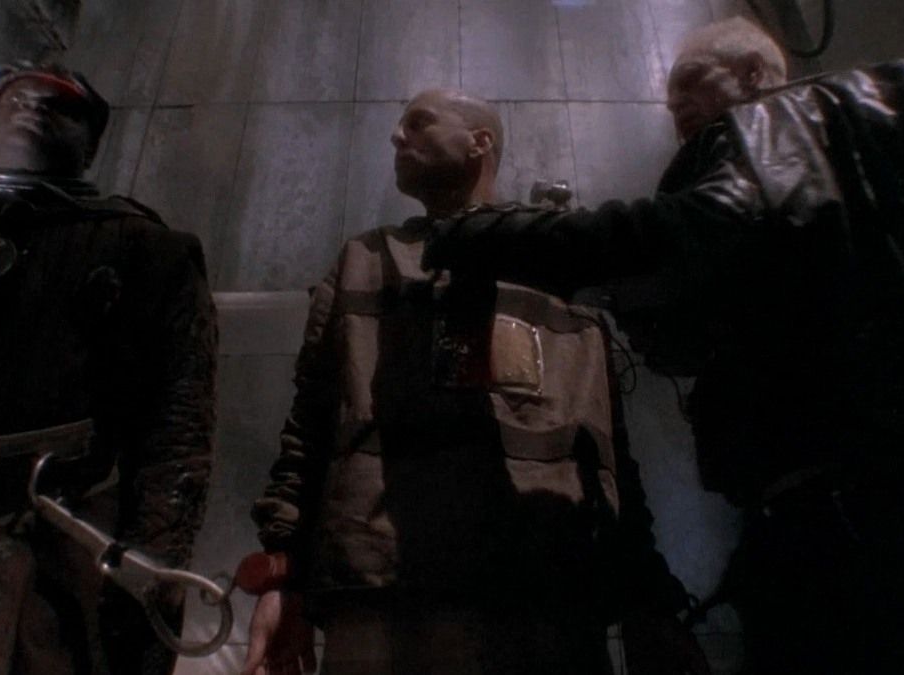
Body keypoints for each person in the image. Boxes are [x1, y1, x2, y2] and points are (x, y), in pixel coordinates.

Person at [423, 17, 904, 675]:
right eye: (669, 101)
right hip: (855, 490)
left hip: (843, 506)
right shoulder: (853, 149)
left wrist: (502, 236)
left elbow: (689, 232)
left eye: (691, 81)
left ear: (754, 74)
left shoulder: (775, 126)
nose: (676, 109)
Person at [239, 88, 707, 675]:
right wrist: (281, 572)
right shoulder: (366, 259)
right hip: (383, 587)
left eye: (419, 122)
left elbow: (607, 447)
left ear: (480, 141)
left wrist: (646, 600)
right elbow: (310, 426)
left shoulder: (563, 262)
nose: (396, 136)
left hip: (545, 590)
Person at [0, 62, 217, 675]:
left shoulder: (146, 251)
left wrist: (154, 574)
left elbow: (176, 428)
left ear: (91, 145)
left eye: (62, 105)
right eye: (14, 97)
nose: (33, 105)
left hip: (58, 561)